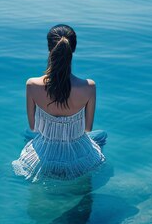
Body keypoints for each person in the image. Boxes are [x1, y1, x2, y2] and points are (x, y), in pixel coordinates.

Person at [12, 24, 107, 182]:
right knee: (102, 135)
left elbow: (33, 126)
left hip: (45, 156)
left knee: (26, 134)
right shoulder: (89, 86)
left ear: (50, 49)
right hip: (77, 157)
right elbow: (88, 129)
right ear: (73, 49)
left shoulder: (32, 84)